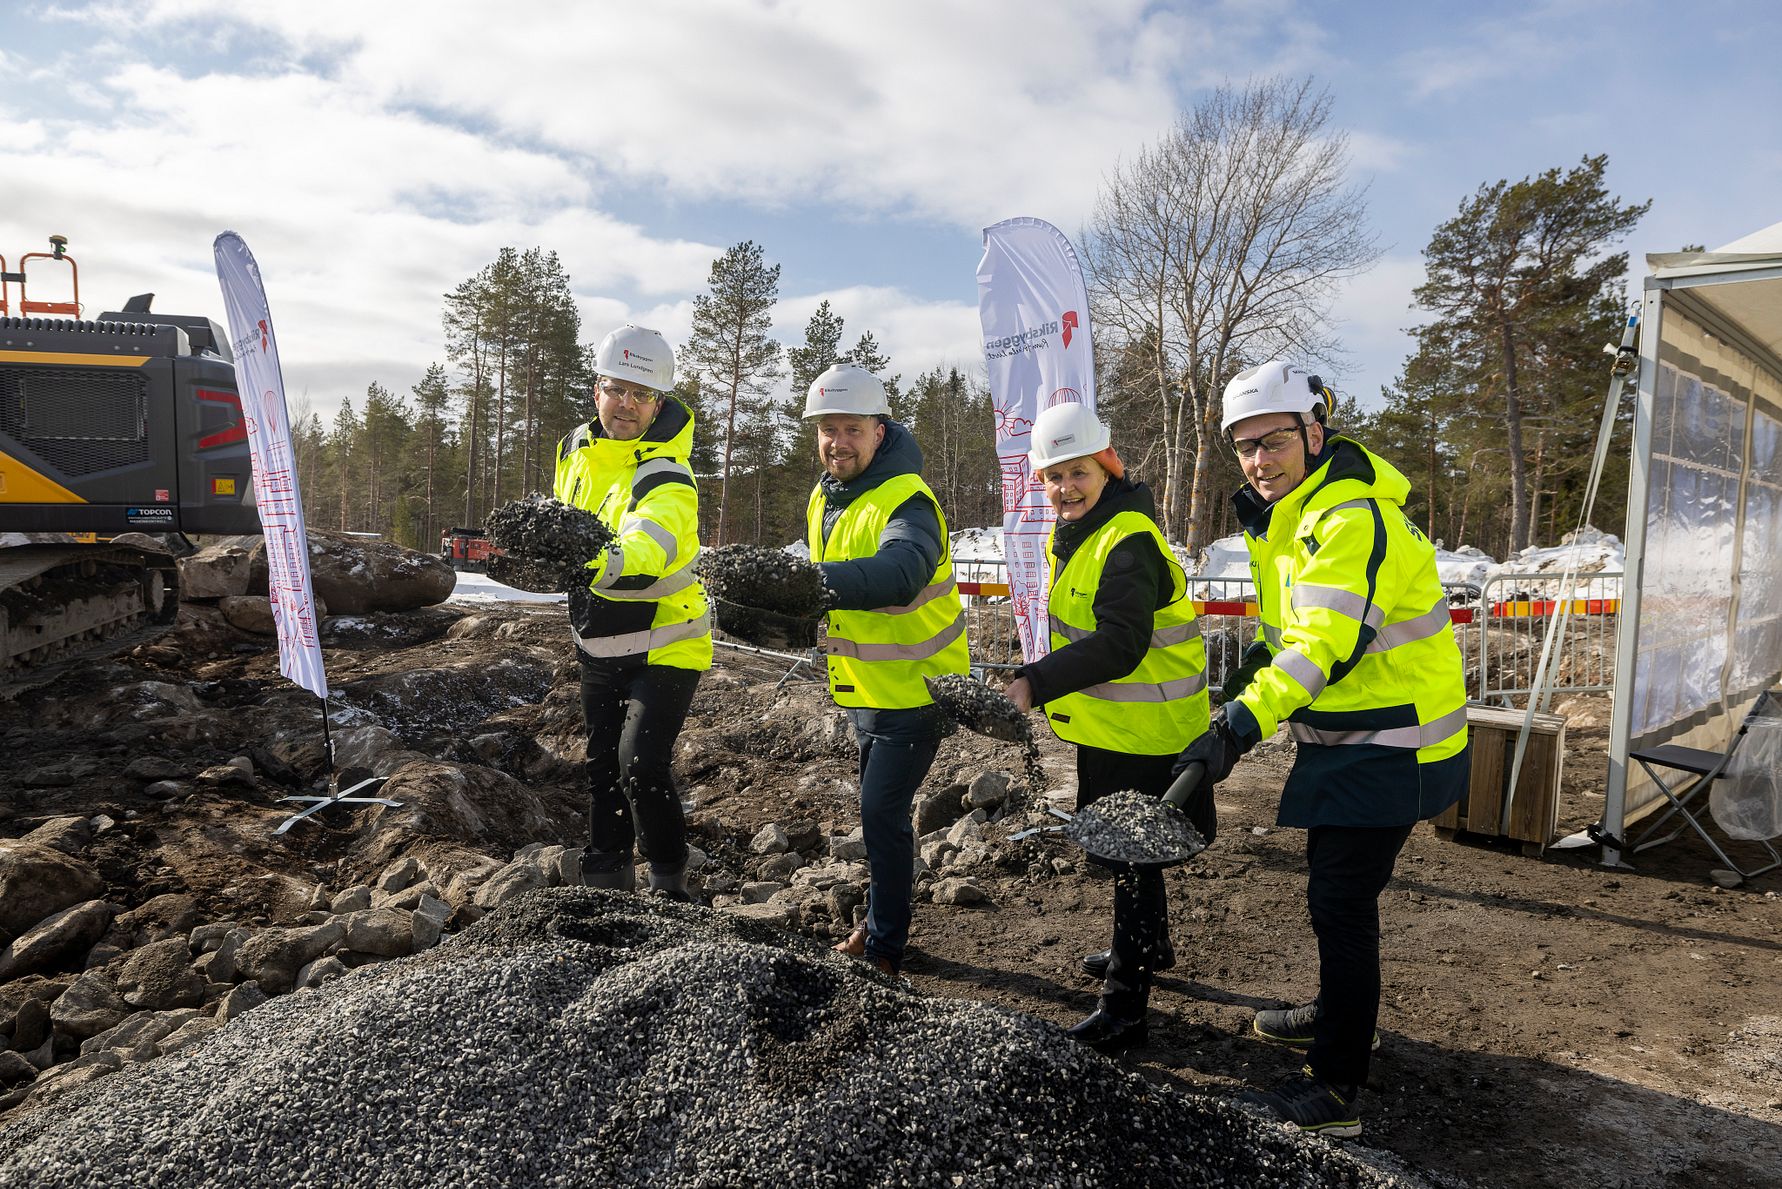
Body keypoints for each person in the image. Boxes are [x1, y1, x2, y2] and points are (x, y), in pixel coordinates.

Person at [1178, 359, 1469, 1136]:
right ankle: (1339, 1011)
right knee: (1332, 891)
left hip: (1397, 743)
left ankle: (1335, 1086)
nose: (1258, 461)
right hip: (1357, 736)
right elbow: (1286, 637)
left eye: (1272, 441)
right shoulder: (1294, 515)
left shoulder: (1349, 519)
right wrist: (1236, 692)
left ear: (1313, 432)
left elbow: (1321, 648)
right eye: (1245, 447)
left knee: (1341, 901)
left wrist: (1240, 726)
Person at [1002, 403, 1210, 1054]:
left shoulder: (1127, 541)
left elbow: (1121, 643)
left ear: (1107, 468)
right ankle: (1151, 946)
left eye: (1078, 472)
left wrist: (1035, 682)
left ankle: (1124, 1010)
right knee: (1131, 856)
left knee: (1129, 863)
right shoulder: (1084, 532)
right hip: (1115, 726)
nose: (1065, 488)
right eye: (1053, 476)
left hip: (1146, 733)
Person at [803, 362, 970, 977]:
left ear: (879, 431)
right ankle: (878, 926)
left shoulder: (908, 500)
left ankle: (885, 948)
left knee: (880, 815)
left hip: (918, 693)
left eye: (852, 429)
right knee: (880, 817)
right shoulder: (827, 496)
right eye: (828, 430)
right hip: (868, 689)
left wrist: (806, 584)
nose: (838, 442)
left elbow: (902, 572)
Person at [553, 325, 711, 900]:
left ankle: (670, 883)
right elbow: (565, 519)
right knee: (600, 767)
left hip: (668, 642)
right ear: (596, 389)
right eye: (616, 389)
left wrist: (593, 560)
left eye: (641, 395)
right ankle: (607, 886)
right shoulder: (574, 448)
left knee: (639, 764)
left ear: (658, 404)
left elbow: (649, 545)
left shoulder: (668, 475)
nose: (626, 404)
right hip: (599, 637)